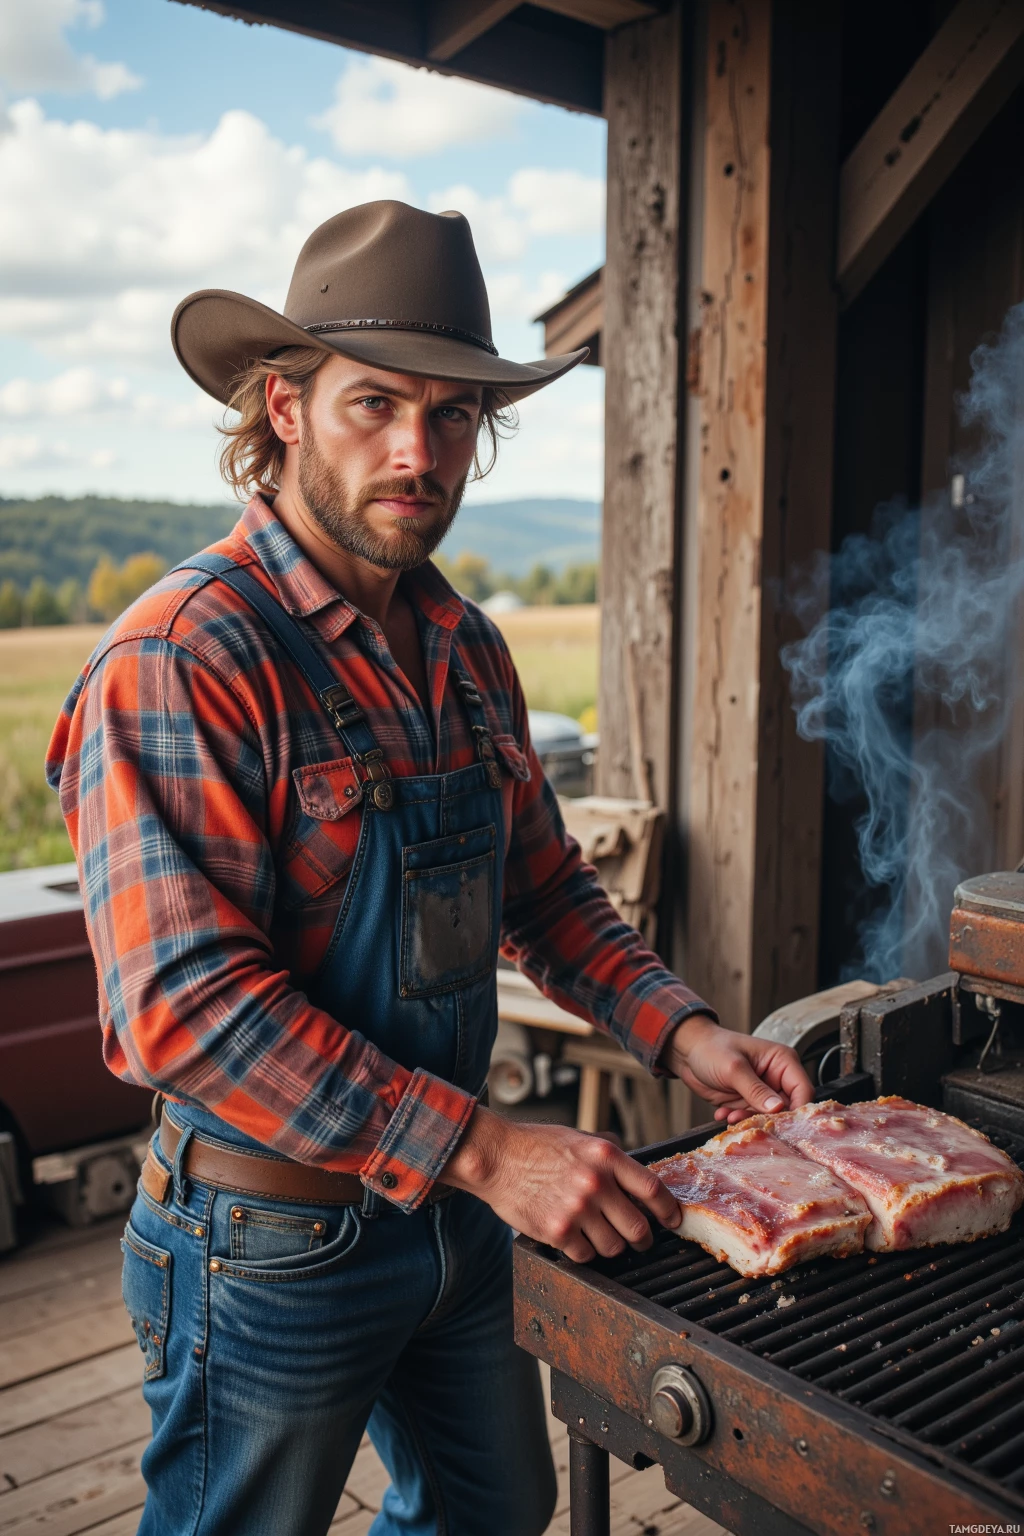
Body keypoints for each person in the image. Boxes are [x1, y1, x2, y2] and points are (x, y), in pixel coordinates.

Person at [47, 201, 813, 1536]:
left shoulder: (464, 649)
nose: (420, 450)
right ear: (282, 406)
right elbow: (183, 1005)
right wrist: (487, 1149)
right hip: (267, 1244)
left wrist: (680, 1031)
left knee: (489, 1519)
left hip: (452, 1228)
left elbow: (543, 890)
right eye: (374, 405)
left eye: (454, 414)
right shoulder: (184, 655)